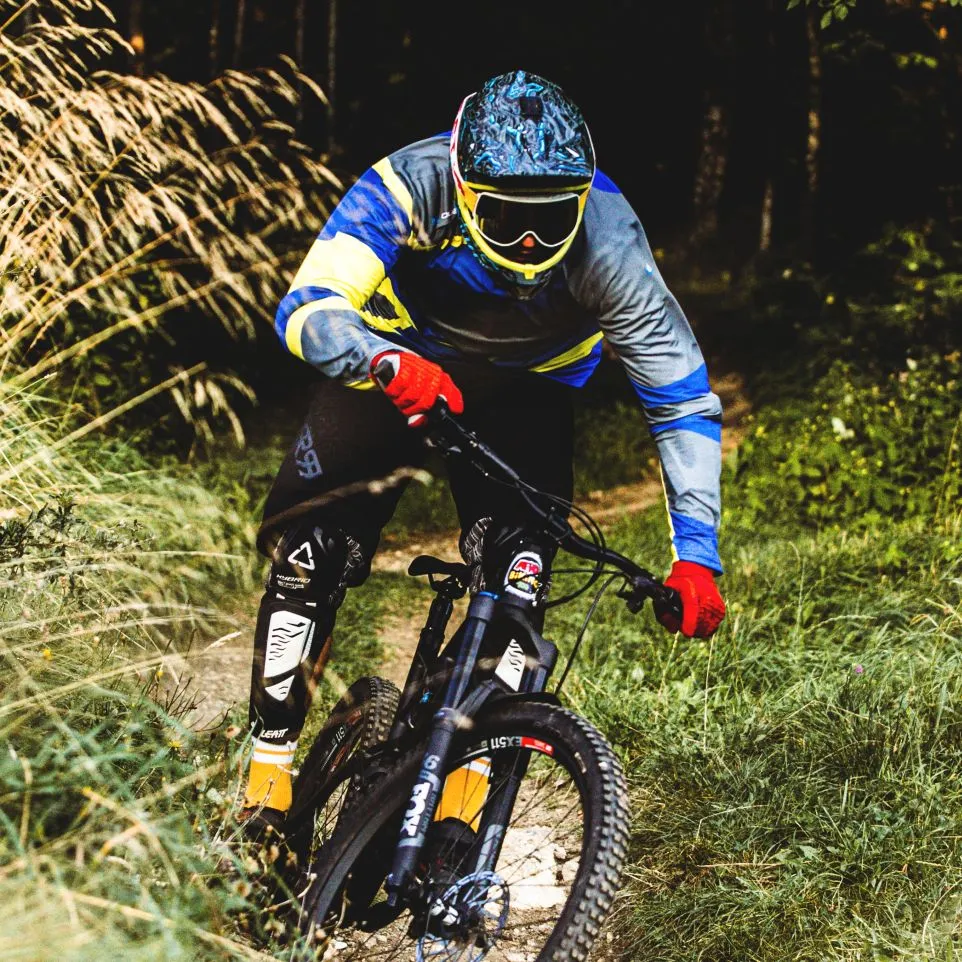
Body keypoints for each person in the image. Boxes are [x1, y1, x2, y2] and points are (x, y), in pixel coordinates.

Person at [238, 69, 727, 830]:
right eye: (505, 219)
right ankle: (263, 783)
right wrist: (382, 361)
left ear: (581, 200)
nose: (530, 244)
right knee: (309, 555)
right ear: (464, 194)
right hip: (392, 364)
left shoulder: (611, 241)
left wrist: (697, 553)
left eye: (550, 221)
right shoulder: (409, 184)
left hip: (525, 391)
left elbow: (682, 397)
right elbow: (307, 308)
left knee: (519, 580)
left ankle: (455, 809)